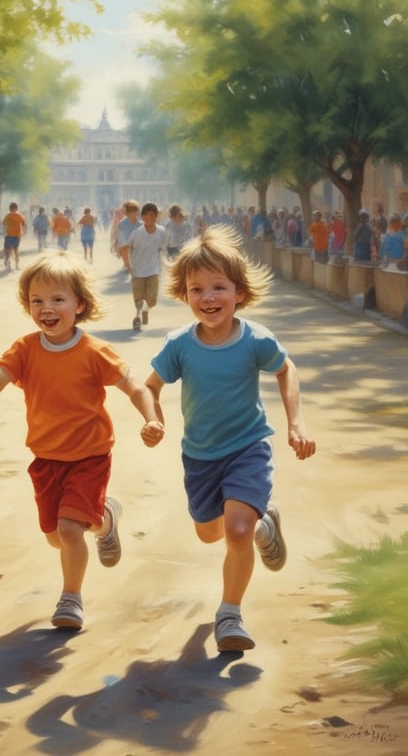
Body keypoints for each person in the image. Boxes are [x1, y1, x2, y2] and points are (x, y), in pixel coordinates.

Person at [142, 224, 316, 652]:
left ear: (239, 292)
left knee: (236, 532)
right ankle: (263, 522)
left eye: (218, 287)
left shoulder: (255, 339)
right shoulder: (179, 345)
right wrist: (153, 418)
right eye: (196, 289)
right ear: (184, 295)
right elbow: (149, 386)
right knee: (209, 533)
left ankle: (230, 614)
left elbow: (285, 368)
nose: (208, 298)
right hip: (200, 456)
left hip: (247, 447)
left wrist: (296, 423)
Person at [0, 251, 160, 631]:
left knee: (71, 530)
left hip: (90, 456)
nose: (46, 308)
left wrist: (151, 419)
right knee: (58, 537)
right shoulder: (24, 349)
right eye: (37, 301)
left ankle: (71, 599)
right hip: (46, 459)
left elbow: (135, 386)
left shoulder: (94, 352)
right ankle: (106, 520)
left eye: (57, 299)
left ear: (79, 305)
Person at [126, 202, 166, 331]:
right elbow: (128, 248)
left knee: (152, 300)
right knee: (138, 300)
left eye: (153, 215)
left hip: (153, 270)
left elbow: (162, 248)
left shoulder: (161, 231)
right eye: (147, 215)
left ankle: (145, 310)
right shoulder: (136, 233)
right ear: (142, 217)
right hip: (137, 271)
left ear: (156, 217)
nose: (150, 218)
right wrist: (129, 265)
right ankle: (137, 318)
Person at [115, 199, 142, 272]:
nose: (133, 214)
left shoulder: (141, 224)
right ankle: (127, 266)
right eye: (130, 212)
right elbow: (123, 246)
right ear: (126, 213)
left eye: (135, 211)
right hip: (127, 249)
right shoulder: (121, 225)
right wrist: (127, 264)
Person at [2, 201, 26, 270]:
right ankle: (17, 265)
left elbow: (4, 224)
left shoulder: (8, 216)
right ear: (16, 208)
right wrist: (22, 229)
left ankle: (7, 262)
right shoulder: (19, 215)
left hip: (9, 235)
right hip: (17, 235)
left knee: (8, 250)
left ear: (9, 208)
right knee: (16, 250)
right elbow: (23, 223)